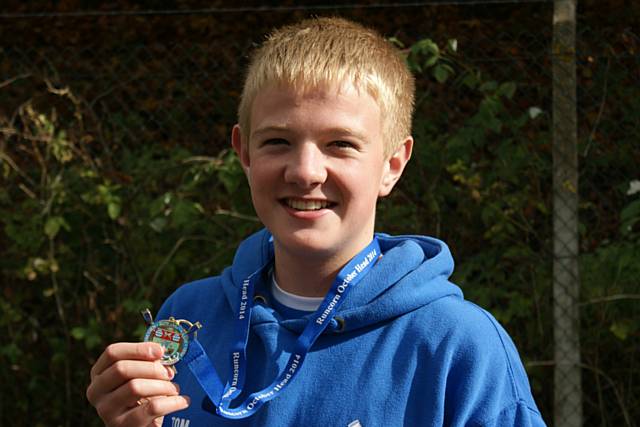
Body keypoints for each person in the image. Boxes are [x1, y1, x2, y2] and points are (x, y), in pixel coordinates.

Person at [86, 17, 546, 427]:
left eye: (340, 144)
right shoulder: (189, 316)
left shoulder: (456, 345)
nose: (305, 171)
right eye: (278, 141)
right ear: (244, 152)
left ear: (392, 164)